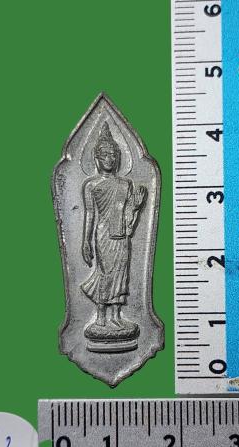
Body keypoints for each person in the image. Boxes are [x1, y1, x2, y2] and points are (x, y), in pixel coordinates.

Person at [80, 122, 146, 336]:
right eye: (105, 155)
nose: (109, 159)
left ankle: (116, 316)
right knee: (106, 272)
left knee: (121, 273)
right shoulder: (91, 185)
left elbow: (128, 213)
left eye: (113, 155)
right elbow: (90, 214)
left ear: (118, 158)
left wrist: (135, 207)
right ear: (96, 158)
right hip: (103, 235)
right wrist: (85, 241)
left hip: (121, 234)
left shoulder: (125, 184)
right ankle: (100, 316)